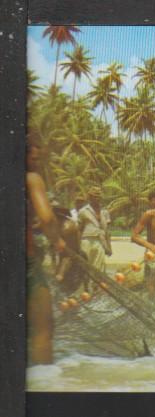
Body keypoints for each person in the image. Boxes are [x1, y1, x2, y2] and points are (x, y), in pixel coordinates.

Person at [26, 136, 66, 364]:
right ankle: (46, 385)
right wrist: (57, 240)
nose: (37, 162)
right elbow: (47, 217)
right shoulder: (31, 178)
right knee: (42, 331)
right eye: (34, 157)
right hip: (26, 262)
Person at [78, 186, 112, 282]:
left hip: (100, 241)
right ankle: (86, 290)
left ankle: (96, 289)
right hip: (86, 241)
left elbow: (107, 231)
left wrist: (109, 246)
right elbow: (79, 230)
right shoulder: (83, 211)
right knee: (86, 268)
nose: (97, 198)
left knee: (99, 269)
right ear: (90, 197)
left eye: (99, 196)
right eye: (94, 196)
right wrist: (78, 247)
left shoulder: (104, 212)